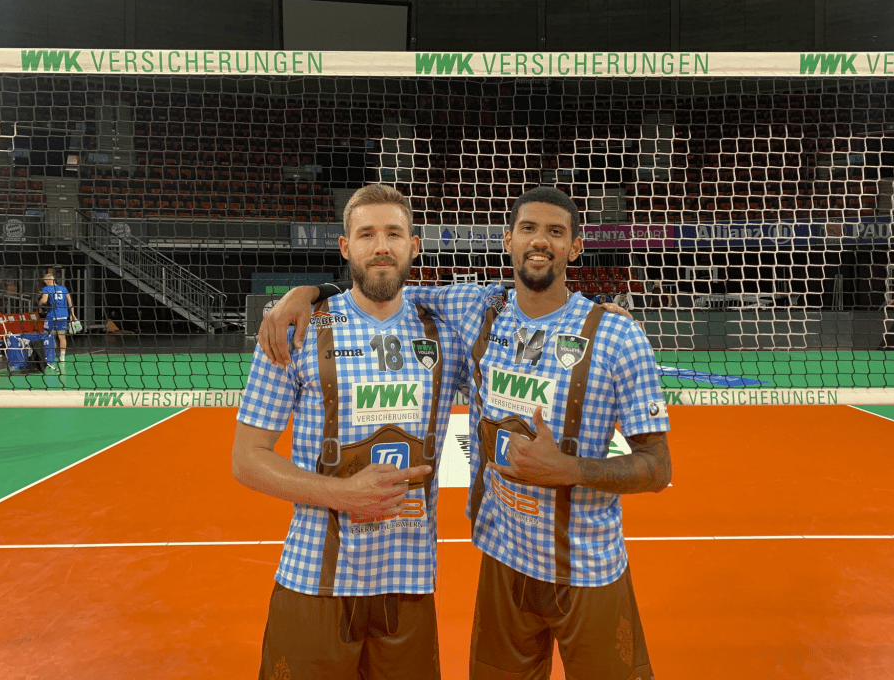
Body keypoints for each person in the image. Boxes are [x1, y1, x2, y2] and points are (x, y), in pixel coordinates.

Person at [260, 186, 672, 680]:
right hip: (503, 562)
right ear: (508, 240)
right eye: (528, 229)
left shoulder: (617, 335)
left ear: (575, 247)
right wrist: (308, 291)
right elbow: (383, 287)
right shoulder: (479, 311)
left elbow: (657, 466)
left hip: (588, 568)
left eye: (555, 232)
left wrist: (569, 469)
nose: (540, 242)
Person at [233, 184, 469, 680]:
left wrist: (598, 312)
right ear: (346, 247)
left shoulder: (449, 335)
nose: (381, 246)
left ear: (414, 244)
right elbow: (247, 458)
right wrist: (343, 494)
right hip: (314, 578)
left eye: (393, 233)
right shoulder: (297, 331)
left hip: (408, 584)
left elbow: (528, 314)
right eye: (366, 234)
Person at [38, 273, 77, 372]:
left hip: (52, 315)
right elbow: (69, 301)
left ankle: (50, 356)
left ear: (48, 280)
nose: (45, 282)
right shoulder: (63, 288)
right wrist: (72, 313)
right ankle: (62, 357)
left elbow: (44, 300)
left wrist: (39, 300)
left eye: (45, 281)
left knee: (47, 335)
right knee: (62, 336)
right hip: (63, 315)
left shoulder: (47, 289)